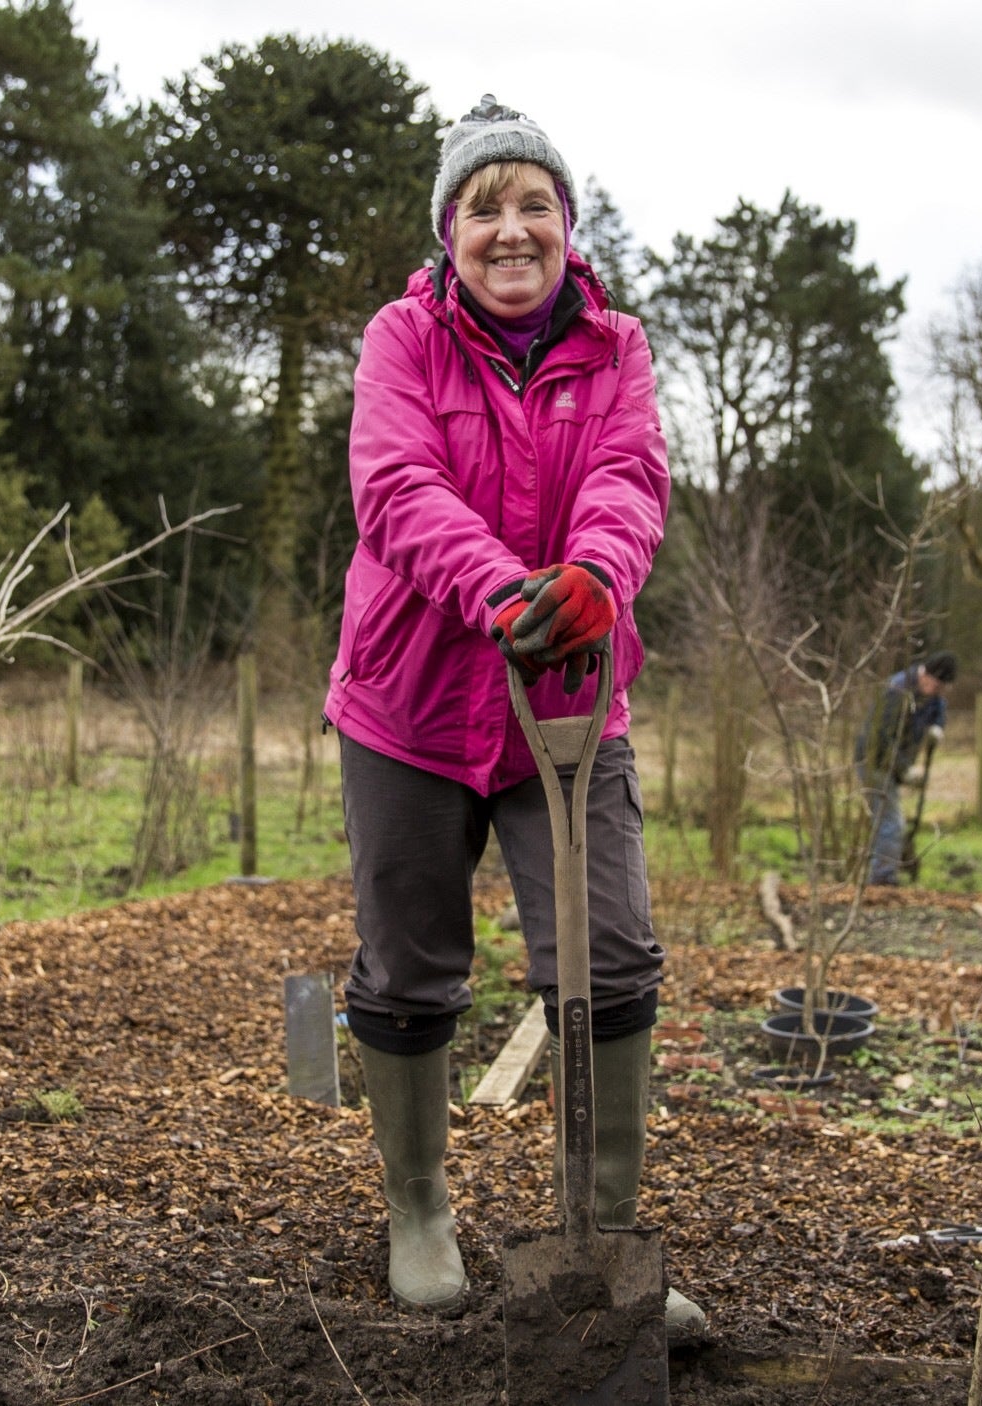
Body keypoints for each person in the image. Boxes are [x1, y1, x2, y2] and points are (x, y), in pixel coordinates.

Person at [326, 96, 701, 1328]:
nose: (510, 228)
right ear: (449, 229)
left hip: (570, 695)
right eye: (483, 206)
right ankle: (420, 1206)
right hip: (412, 699)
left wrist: (595, 575)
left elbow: (629, 474)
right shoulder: (402, 337)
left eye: (532, 201)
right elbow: (394, 485)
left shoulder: (617, 345)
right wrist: (498, 587)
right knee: (410, 959)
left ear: (565, 221)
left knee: (609, 952)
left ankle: (601, 1234)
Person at [854, 651, 956, 885]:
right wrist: (904, 770)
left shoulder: (930, 694)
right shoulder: (897, 691)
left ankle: (883, 873)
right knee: (890, 822)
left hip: (891, 767)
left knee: (889, 820)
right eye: (938, 687)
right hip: (873, 762)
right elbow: (879, 739)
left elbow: (938, 708)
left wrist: (937, 728)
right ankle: (882, 879)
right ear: (928, 677)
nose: (939, 694)